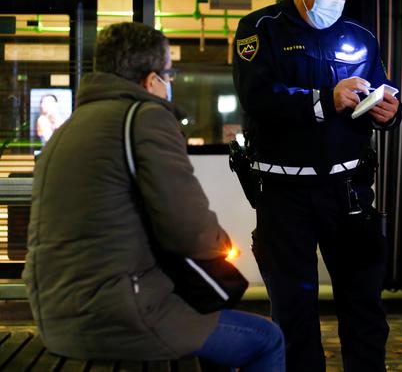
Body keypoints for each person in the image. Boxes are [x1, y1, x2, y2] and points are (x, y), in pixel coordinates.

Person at [22, 22, 285, 371]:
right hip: (119, 317)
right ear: (151, 80)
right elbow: (190, 229)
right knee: (267, 340)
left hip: (56, 316)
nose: (169, 83)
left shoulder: (70, 126)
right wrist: (220, 243)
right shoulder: (144, 118)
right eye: (168, 74)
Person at [232, 0, 402, 372]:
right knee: (293, 311)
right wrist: (325, 100)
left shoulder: (361, 37)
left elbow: (377, 90)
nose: (336, 4)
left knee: (363, 306)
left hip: (347, 192)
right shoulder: (261, 29)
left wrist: (388, 112)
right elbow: (257, 96)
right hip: (283, 193)